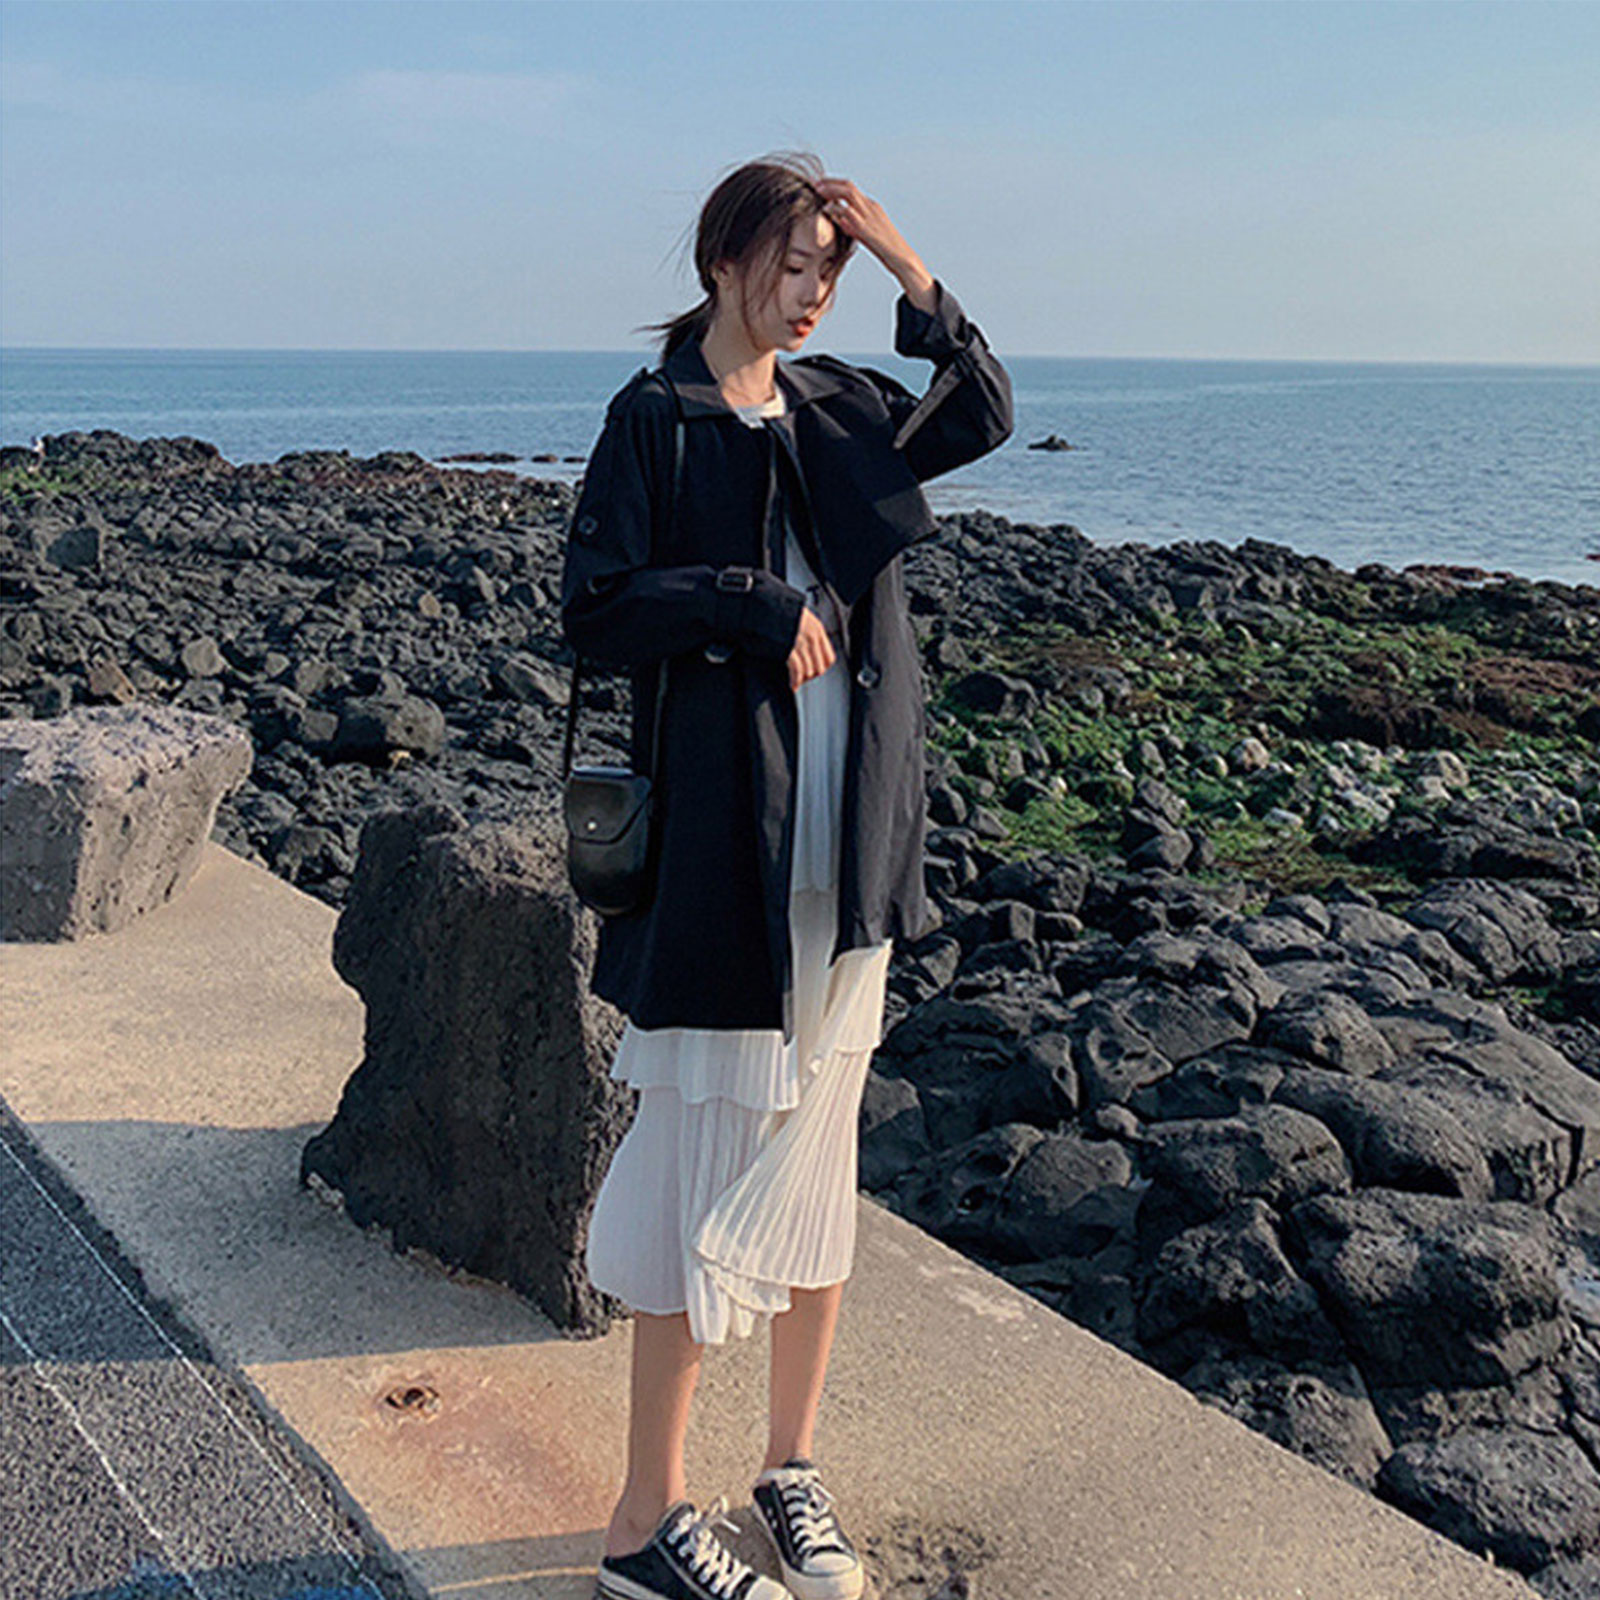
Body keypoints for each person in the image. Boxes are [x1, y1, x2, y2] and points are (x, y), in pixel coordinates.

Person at [560, 151, 1013, 1600]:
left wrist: (903, 258)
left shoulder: (840, 405)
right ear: (722, 261)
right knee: (694, 1170)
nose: (813, 291)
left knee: (821, 1164)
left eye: (830, 267)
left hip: (850, 838)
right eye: (793, 262)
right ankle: (644, 1520)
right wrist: (745, 604)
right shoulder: (657, 420)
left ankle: (789, 1469)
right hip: (723, 855)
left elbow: (984, 409)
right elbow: (594, 610)